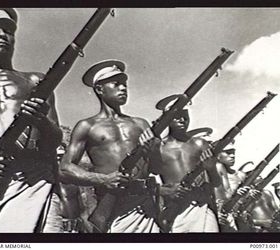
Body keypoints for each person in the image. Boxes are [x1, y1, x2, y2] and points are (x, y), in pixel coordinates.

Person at [0, 8, 63, 232]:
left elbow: (56, 139)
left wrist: (42, 120)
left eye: (7, 30)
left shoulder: (36, 81)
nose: (2, 35)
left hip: (35, 180)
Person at [59, 59, 160, 233]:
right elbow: (64, 169)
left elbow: (157, 168)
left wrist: (154, 151)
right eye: (117, 84)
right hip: (113, 207)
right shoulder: (87, 126)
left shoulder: (141, 124)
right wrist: (103, 180)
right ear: (99, 89)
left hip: (144, 207)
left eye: (125, 84)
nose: (123, 88)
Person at [149, 94, 221, 233]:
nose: (182, 119)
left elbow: (216, 182)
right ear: (166, 118)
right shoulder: (158, 147)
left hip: (201, 208)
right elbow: (148, 179)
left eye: (185, 115)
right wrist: (164, 191)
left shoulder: (200, 143)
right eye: (177, 115)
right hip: (175, 212)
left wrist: (211, 169)